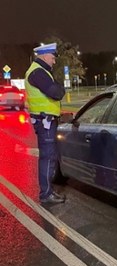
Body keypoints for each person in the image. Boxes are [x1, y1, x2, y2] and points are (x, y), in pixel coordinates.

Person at [25, 43, 66, 204]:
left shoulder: (41, 72)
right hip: (45, 122)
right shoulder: (37, 72)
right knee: (48, 158)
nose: (54, 61)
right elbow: (56, 92)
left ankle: (47, 191)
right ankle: (46, 193)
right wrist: (60, 89)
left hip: (46, 121)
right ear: (43, 56)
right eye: (52, 57)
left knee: (48, 157)